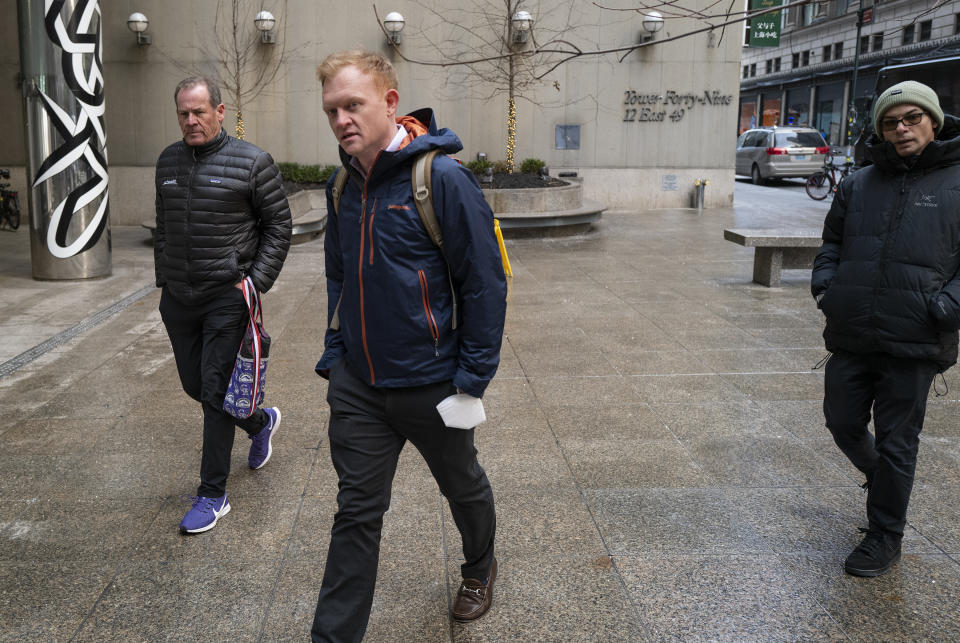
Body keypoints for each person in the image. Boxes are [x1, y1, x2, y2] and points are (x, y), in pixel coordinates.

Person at [311, 51, 507, 641]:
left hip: (433, 383)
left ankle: (479, 565)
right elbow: (339, 276)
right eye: (332, 110)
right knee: (356, 516)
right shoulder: (342, 183)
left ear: (390, 103)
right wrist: (334, 353)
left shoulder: (440, 179)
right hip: (361, 386)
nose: (342, 119)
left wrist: (471, 382)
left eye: (354, 105)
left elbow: (485, 283)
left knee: (462, 483)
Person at [812, 80, 960, 577]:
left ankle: (884, 536)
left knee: (899, 442)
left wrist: (947, 306)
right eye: (891, 121)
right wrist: (825, 288)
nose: (902, 128)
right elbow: (832, 242)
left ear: (933, 121)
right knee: (842, 422)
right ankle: (882, 480)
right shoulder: (858, 182)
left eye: (912, 117)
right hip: (853, 330)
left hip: (916, 338)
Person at [155, 76, 292, 534]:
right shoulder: (167, 161)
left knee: (213, 393)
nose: (191, 121)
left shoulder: (253, 162)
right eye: (183, 113)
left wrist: (253, 285)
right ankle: (259, 422)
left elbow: (279, 227)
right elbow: (164, 227)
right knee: (197, 387)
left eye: (199, 111)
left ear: (220, 110)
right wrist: (164, 279)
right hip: (178, 299)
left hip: (225, 299)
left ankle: (213, 494)